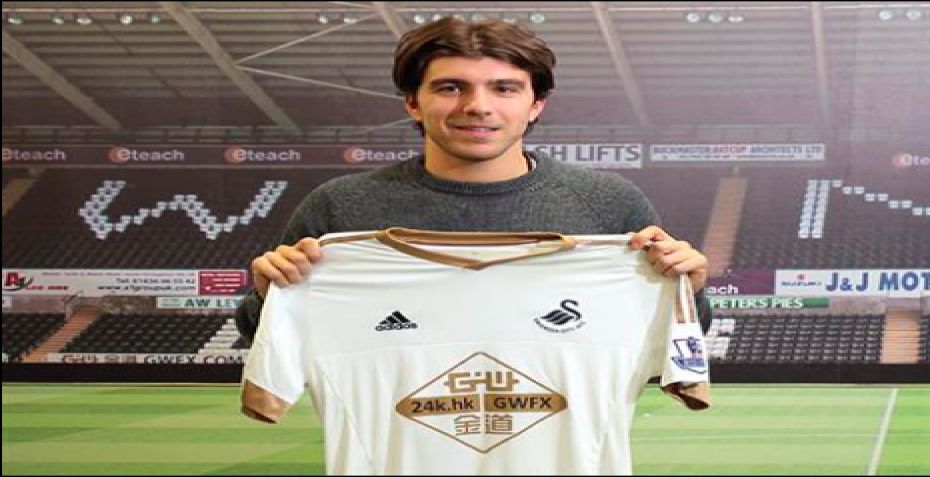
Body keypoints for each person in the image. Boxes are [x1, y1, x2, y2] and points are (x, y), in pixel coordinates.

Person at [235, 17, 711, 343]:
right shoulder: (340, 207)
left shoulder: (608, 204)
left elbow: (671, 341)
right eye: (451, 87)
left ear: (535, 105)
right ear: (413, 103)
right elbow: (267, 339)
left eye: (504, 89)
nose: (477, 106)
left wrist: (688, 290)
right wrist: (268, 293)